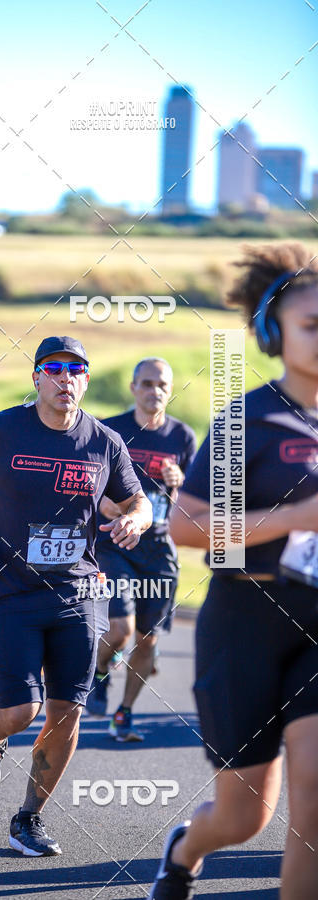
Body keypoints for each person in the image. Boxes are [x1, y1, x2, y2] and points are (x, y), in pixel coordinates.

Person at [0, 335, 152, 857]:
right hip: (11, 590)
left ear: (86, 381)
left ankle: (28, 818)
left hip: (78, 594)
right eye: (53, 369)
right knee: (22, 709)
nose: (64, 379)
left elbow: (135, 500)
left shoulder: (103, 442)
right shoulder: (0, 429)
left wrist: (137, 522)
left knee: (67, 711)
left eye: (75, 371)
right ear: (37, 378)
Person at [150, 243, 318, 899]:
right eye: (313, 325)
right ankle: (186, 848)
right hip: (245, 620)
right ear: (274, 333)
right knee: (244, 817)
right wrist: (295, 516)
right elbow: (187, 526)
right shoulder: (247, 419)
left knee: (313, 792)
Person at [86, 359, 196, 741]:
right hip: (116, 541)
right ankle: (99, 674)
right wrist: (110, 507)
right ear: (133, 387)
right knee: (120, 628)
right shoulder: (111, 430)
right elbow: (90, 486)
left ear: (170, 388)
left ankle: (125, 713)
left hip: (159, 547)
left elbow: (192, 505)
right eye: (146, 383)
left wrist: (179, 482)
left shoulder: (182, 436)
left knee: (148, 638)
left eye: (162, 384)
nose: (155, 391)